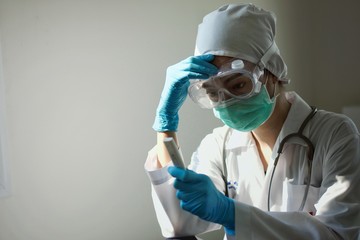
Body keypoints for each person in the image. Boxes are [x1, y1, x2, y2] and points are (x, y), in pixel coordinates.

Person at [145, 3, 360, 240]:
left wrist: (231, 213)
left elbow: (338, 234)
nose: (226, 101)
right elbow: (180, 225)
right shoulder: (218, 145)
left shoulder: (335, 134)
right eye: (213, 92)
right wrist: (166, 123)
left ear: (273, 71)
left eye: (238, 84)